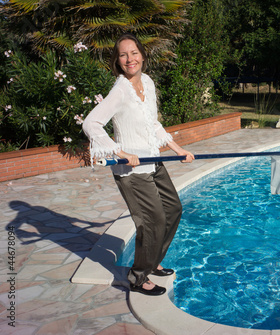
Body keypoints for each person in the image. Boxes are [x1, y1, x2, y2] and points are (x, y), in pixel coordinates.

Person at [82, 33, 194, 296]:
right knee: (153, 220)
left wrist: (178, 149)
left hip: (152, 160)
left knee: (173, 209)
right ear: (118, 61)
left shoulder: (148, 82)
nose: (129, 59)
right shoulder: (120, 90)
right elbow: (91, 123)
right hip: (131, 170)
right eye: (123, 54)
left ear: (142, 55)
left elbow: (152, 124)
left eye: (133, 53)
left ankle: (152, 262)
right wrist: (119, 152)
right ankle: (138, 276)